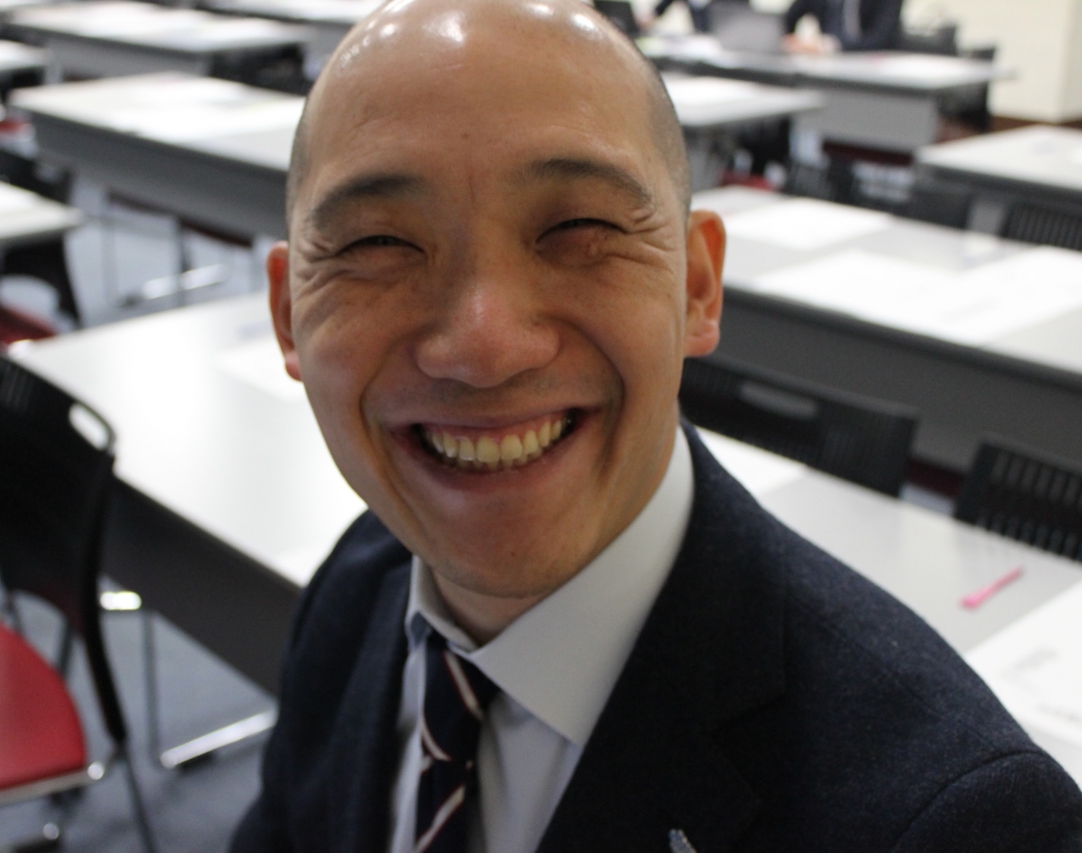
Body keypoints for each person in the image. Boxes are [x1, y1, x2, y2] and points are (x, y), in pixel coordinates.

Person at [232, 1, 1082, 851]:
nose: (484, 347)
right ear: (288, 315)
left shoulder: (959, 820)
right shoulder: (358, 584)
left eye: (579, 227)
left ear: (697, 287)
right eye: (377, 243)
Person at [783, 0, 903, 53]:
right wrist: (792, 43)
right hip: (827, 67)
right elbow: (790, 17)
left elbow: (882, 39)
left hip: (876, 66)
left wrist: (830, 45)